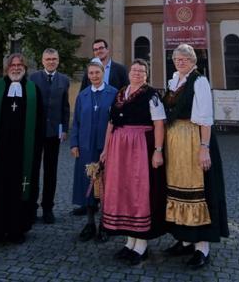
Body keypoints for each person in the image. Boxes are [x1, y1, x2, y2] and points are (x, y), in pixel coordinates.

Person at [162, 44, 229, 269]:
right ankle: (184, 240)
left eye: (185, 59)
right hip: (175, 145)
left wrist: (204, 148)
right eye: (177, 58)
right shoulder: (174, 81)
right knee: (178, 190)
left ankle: (202, 248)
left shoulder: (199, 81)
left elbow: (205, 118)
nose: (180, 62)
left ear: (193, 61)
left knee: (199, 191)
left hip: (193, 140)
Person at [100, 59, 167, 265]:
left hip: (140, 146)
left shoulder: (152, 95)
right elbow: (111, 123)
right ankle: (130, 242)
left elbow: (158, 124)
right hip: (119, 147)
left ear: (146, 75)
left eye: (141, 71)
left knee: (139, 191)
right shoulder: (120, 93)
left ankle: (142, 245)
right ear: (129, 73)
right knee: (123, 190)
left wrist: (158, 151)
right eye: (134, 70)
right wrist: (105, 149)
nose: (137, 73)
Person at [0, 53, 44, 245]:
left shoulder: (34, 90)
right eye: (12, 65)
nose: (16, 68)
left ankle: (17, 230)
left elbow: (40, 122)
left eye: (20, 65)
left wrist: (36, 150)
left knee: (20, 189)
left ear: (25, 68)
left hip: (23, 151)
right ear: (6, 68)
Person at [70, 59, 116, 242]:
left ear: (103, 73)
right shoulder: (83, 95)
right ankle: (90, 223)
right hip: (86, 148)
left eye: (97, 73)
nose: (94, 76)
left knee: (105, 186)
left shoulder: (113, 94)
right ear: (88, 76)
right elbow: (77, 122)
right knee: (87, 186)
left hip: (106, 148)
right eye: (91, 73)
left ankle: (106, 225)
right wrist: (74, 144)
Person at [28, 48, 70, 224]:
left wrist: (65, 129)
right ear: (42, 60)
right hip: (36, 131)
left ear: (58, 61)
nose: (51, 61)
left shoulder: (64, 80)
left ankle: (48, 208)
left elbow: (65, 107)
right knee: (33, 170)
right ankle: (31, 208)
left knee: (51, 172)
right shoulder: (33, 78)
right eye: (48, 59)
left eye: (54, 59)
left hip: (54, 132)